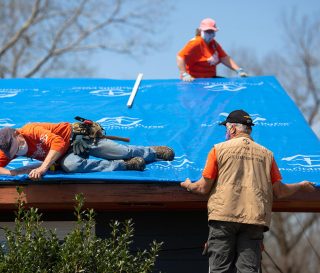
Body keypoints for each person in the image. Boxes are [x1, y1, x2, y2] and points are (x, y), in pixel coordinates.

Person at [180, 109, 316, 273]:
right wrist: (301, 185)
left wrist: (187, 184)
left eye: (226, 129)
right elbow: (279, 191)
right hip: (254, 219)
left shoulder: (218, 149)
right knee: (248, 270)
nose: (226, 132)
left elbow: (202, 187)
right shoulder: (267, 155)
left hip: (223, 217)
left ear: (232, 129)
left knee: (219, 269)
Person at [0, 121, 174, 181]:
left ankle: (152, 152)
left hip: (76, 139)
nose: (16, 152)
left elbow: (58, 142)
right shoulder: (8, 149)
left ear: (17, 134)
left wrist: (43, 167)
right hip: (63, 156)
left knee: (118, 150)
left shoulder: (31, 130)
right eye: (13, 152)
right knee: (71, 166)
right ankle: (125, 166)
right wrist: (12, 171)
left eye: (16, 146)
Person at [177, 18, 248, 82]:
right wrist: (184, 74)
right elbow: (180, 56)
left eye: (212, 31)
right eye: (207, 31)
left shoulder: (213, 44)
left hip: (210, 80)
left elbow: (224, 58)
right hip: (194, 80)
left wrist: (239, 70)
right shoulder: (196, 42)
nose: (210, 34)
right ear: (201, 31)